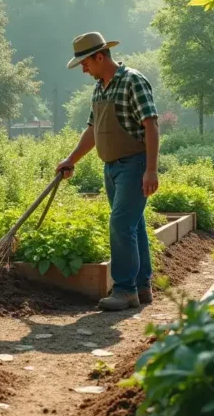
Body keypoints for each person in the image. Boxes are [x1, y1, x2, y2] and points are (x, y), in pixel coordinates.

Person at [56, 32, 160, 311]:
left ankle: (124, 289)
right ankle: (141, 286)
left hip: (134, 165)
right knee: (133, 224)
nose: (84, 69)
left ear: (99, 57)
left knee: (120, 224)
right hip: (111, 167)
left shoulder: (132, 81)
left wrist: (151, 170)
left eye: (85, 63)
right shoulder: (100, 88)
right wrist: (71, 159)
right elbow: (92, 130)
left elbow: (151, 124)